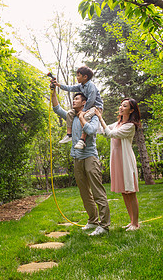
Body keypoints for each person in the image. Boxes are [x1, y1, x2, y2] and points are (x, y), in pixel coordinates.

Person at [51, 89, 110, 236]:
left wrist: (83, 117)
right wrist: (53, 93)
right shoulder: (72, 117)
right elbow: (57, 109)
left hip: (90, 157)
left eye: (77, 99)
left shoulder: (93, 116)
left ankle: (104, 225)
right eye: (74, 98)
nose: (73, 101)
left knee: (97, 192)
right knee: (84, 193)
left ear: (84, 102)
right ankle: (92, 221)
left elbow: (91, 130)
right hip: (77, 158)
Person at [95, 98, 141, 231]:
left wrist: (100, 117)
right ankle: (131, 221)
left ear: (131, 110)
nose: (121, 107)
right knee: (124, 192)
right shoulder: (118, 123)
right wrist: (93, 118)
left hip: (125, 161)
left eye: (124, 106)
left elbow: (110, 133)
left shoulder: (130, 126)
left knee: (130, 192)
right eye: (121, 105)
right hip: (117, 161)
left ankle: (136, 224)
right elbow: (103, 130)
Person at [51, 66, 103, 150]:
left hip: (96, 107)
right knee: (70, 113)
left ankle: (82, 139)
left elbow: (91, 100)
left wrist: (84, 111)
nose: (77, 77)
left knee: (85, 117)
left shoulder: (91, 86)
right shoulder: (81, 86)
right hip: (88, 106)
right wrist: (58, 85)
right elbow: (70, 88)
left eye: (78, 75)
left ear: (85, 77)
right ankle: (69, 134)